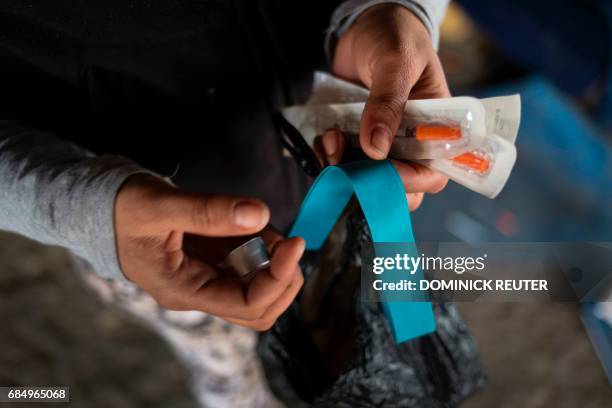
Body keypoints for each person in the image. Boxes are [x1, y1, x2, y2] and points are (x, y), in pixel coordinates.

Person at [0, 0, 450, 405]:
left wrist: (393, 10)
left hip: (332, 145)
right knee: (220, 352)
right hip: (160, 224)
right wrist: (84, 208)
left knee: (347, 307)